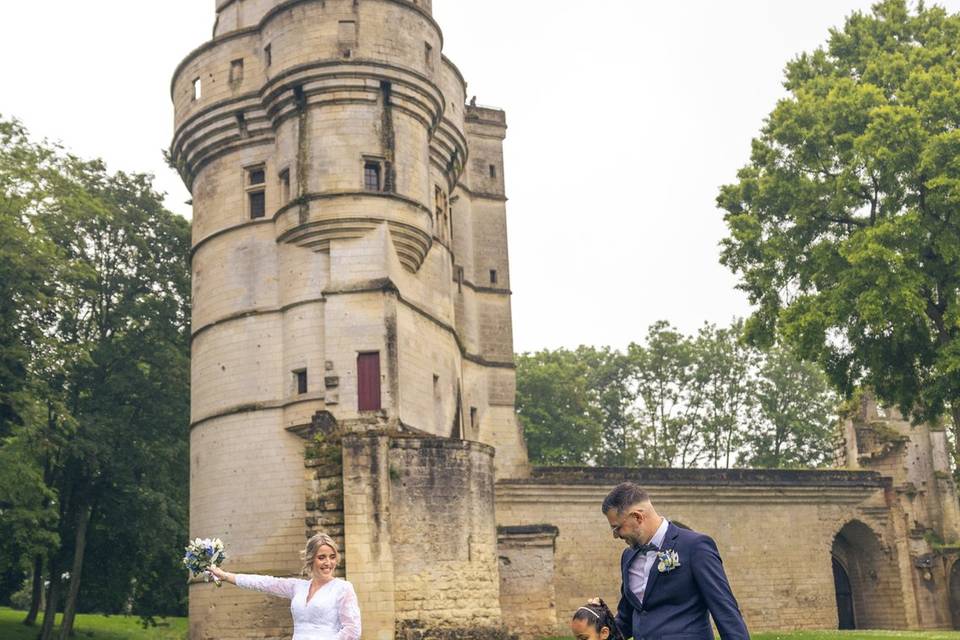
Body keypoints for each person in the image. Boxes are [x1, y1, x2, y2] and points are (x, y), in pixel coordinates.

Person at [602, 482, 749, 639]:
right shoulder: (628, 557)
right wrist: (595, 621)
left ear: (637, 517)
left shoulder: (695, 547)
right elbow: (626, 618)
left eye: (617, 528)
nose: (615, 535)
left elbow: (725, 610)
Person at [207, 532, 361, 640]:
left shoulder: (343, 588)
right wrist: (225, 576)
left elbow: (353, 631)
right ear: (311, 559)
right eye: (322, 557)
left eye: (332, 557)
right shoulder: (297, 587)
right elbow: (264, 583)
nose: (328, 563)